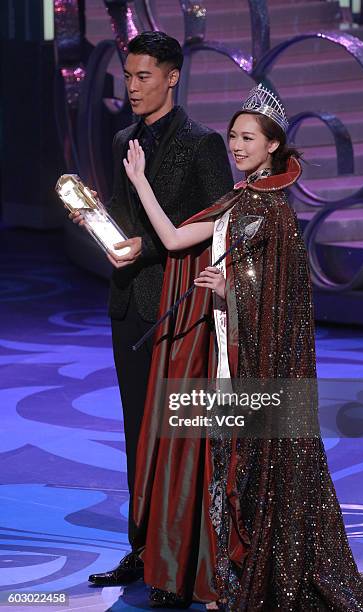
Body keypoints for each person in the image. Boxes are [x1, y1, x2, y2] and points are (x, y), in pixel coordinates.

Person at [123, 83, 363, 610]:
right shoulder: (238, 199)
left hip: (252, 360)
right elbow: (173, 240)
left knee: (245, 465)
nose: (236, 145)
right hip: (226, 353)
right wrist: (140, 181)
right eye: (232, 136)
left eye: (247, 138)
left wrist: (231, 289)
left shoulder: (275, 211)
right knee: (226, 463)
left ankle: (243, 575)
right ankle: (223, 577)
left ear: (272, 145)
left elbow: (284, 292)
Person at [70, 31, 233, 586]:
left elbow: (219, 223)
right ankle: (143, 550)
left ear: (172, 77)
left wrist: (149, 245)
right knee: (138, 426)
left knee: (181, 429)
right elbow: (124, 216)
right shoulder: (123, 138)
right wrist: (99, 224)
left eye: (144, 77)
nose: (133, 87)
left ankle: (185, 558)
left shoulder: (204, 143)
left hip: (180, 306)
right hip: (132, 305)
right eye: (129, 75)